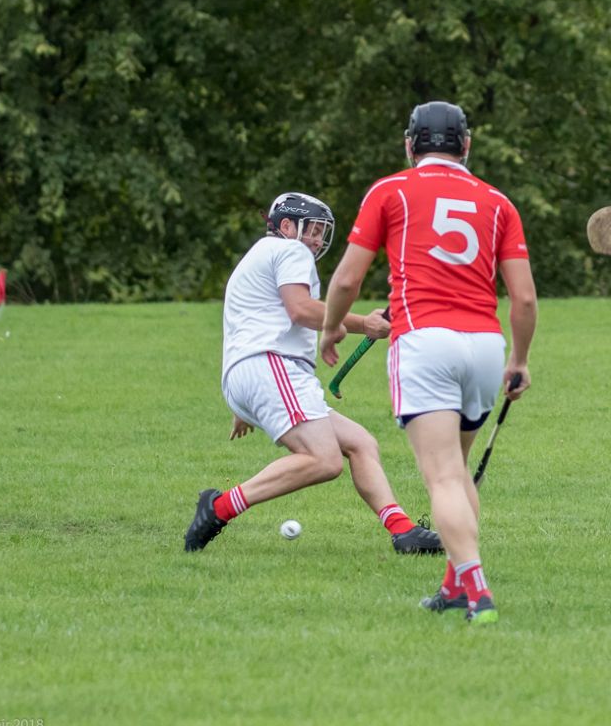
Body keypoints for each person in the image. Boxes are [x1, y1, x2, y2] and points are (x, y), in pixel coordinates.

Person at [320, 101, 537, 626]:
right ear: (466, 145)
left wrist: (331, 327)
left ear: (408, 144)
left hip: (424, 343)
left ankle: (478, 590)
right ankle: (455, 585)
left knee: (441, 478)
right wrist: (520, 359)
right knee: (457, 472)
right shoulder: (498, 202)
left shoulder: (390, 191)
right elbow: (524, 300)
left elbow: (347, 280)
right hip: (484, 346)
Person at [183, 192, 443, 556]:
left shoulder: (258, 255)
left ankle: (403, 532)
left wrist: (245, 404)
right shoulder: (290, 251)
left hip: (255, 373)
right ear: (286, 226)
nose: (318, 240)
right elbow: (300, 310)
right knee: (324, 460)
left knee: (360, 442)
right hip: (270, 367)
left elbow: (264, 320)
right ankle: (219, 507)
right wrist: (360, 323)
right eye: (314, 230)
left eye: (323, 232)